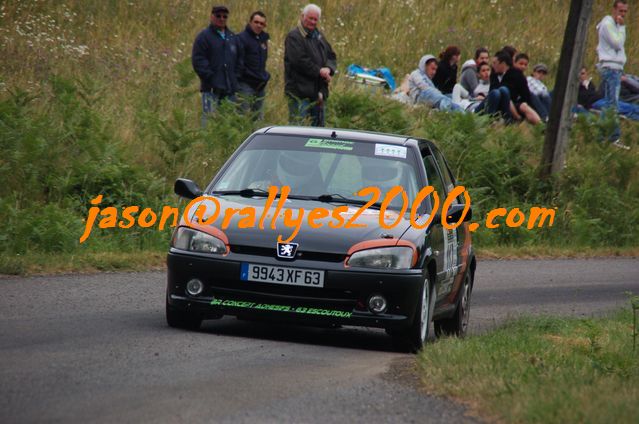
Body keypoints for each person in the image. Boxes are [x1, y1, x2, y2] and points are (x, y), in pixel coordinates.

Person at [284, 4, 337, 127]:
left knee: (318, 133)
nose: (313, 22)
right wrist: (319, 71)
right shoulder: (294, 36)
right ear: (303, 16)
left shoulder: (319, 36)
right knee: (298, 130)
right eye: (310, 18)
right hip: (299, 93)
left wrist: (328, 69)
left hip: (318, 92)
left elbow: (331, 55)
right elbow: (299, 61)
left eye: (315, 19)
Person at [192, 5, 243, 126]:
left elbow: (240, 59)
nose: (221, 19)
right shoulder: (204, 37)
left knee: (228, 122)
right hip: (211, 88)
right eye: (218, 16)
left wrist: (235, 78)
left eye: (224, 16)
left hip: (229, 88)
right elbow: (198, 60)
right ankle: (207, 145)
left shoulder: (232, 37)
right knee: (209, 121)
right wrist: (210, 77)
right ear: (212, 16)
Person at [596, 0, 629, 148]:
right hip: (610, 67)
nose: (622, 14)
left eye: (625, 12)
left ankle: (604, 135)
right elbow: (617, 43)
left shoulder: (615, 25)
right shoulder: (608, 24)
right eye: (620, 11)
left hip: (616, 67)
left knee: (610, 102)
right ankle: (610, 136)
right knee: (612, 103)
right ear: (614, 9)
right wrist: (622, 28)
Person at [490, 50, 541, 124]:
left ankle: (541, 126)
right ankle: (516, 119)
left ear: (503, 64)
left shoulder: (516, 74)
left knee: (524, 106)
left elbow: (525, 94)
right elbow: (492, 91)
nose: (492, 65)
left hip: (513, 103)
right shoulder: (493, 74)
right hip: (498, 102)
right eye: (521, 64)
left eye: (495, 63)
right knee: (503, 91)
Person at [237, 11, 270, 119]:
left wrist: (264, 76)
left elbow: (263, 61)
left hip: (260, 84)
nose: (259, 25)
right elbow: (238, 63)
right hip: (245, 84)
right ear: (250, 22)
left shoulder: (263, 40)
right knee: (242, 116)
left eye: (262, 23)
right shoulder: (241, 39)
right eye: (256, 22)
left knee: (258, 118)